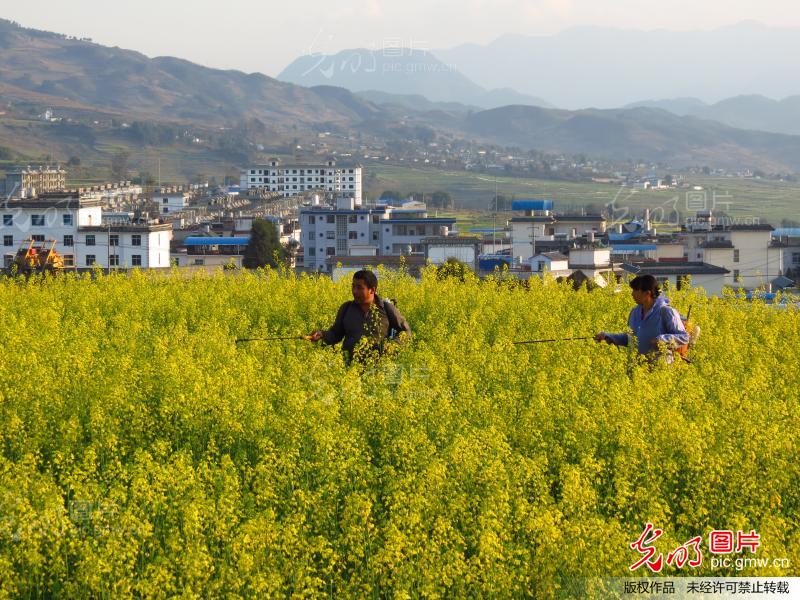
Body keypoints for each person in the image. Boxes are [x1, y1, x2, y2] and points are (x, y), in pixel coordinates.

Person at [308, 270, 411, 364]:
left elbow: (405, 331)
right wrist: (321, 335)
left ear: (372, 290)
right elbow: (335, 334)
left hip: (379, 369)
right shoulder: (346, 308)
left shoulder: (386, 308)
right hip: (350, 368)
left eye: (359, 288)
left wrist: (393, 346)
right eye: (353, 286)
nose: (354, 291)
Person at [594, 274, 690, 363]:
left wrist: (662, 339)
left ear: (647, 293)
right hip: (636, 369)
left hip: (659, 369)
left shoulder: (666, 311)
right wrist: (608, 336)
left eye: (635, 290)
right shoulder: (634, 312)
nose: (632, 294)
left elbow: (684, 337)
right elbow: (630, 338)